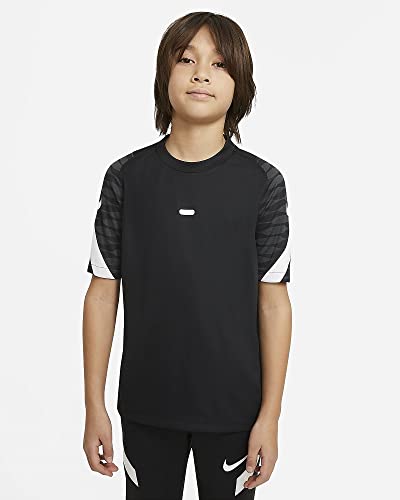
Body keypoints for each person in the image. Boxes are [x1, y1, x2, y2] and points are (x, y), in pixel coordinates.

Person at [82, 11, 292, 500]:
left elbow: (274, 303)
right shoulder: (126, 177)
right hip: (146, 407)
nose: (201, 74)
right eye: (186, 60)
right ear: (165, 74)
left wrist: (270, 417)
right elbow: (102, 293)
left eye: (219, 64)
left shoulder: (262, 183)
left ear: (240, 84)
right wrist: (94, 405)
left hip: (235, 411)